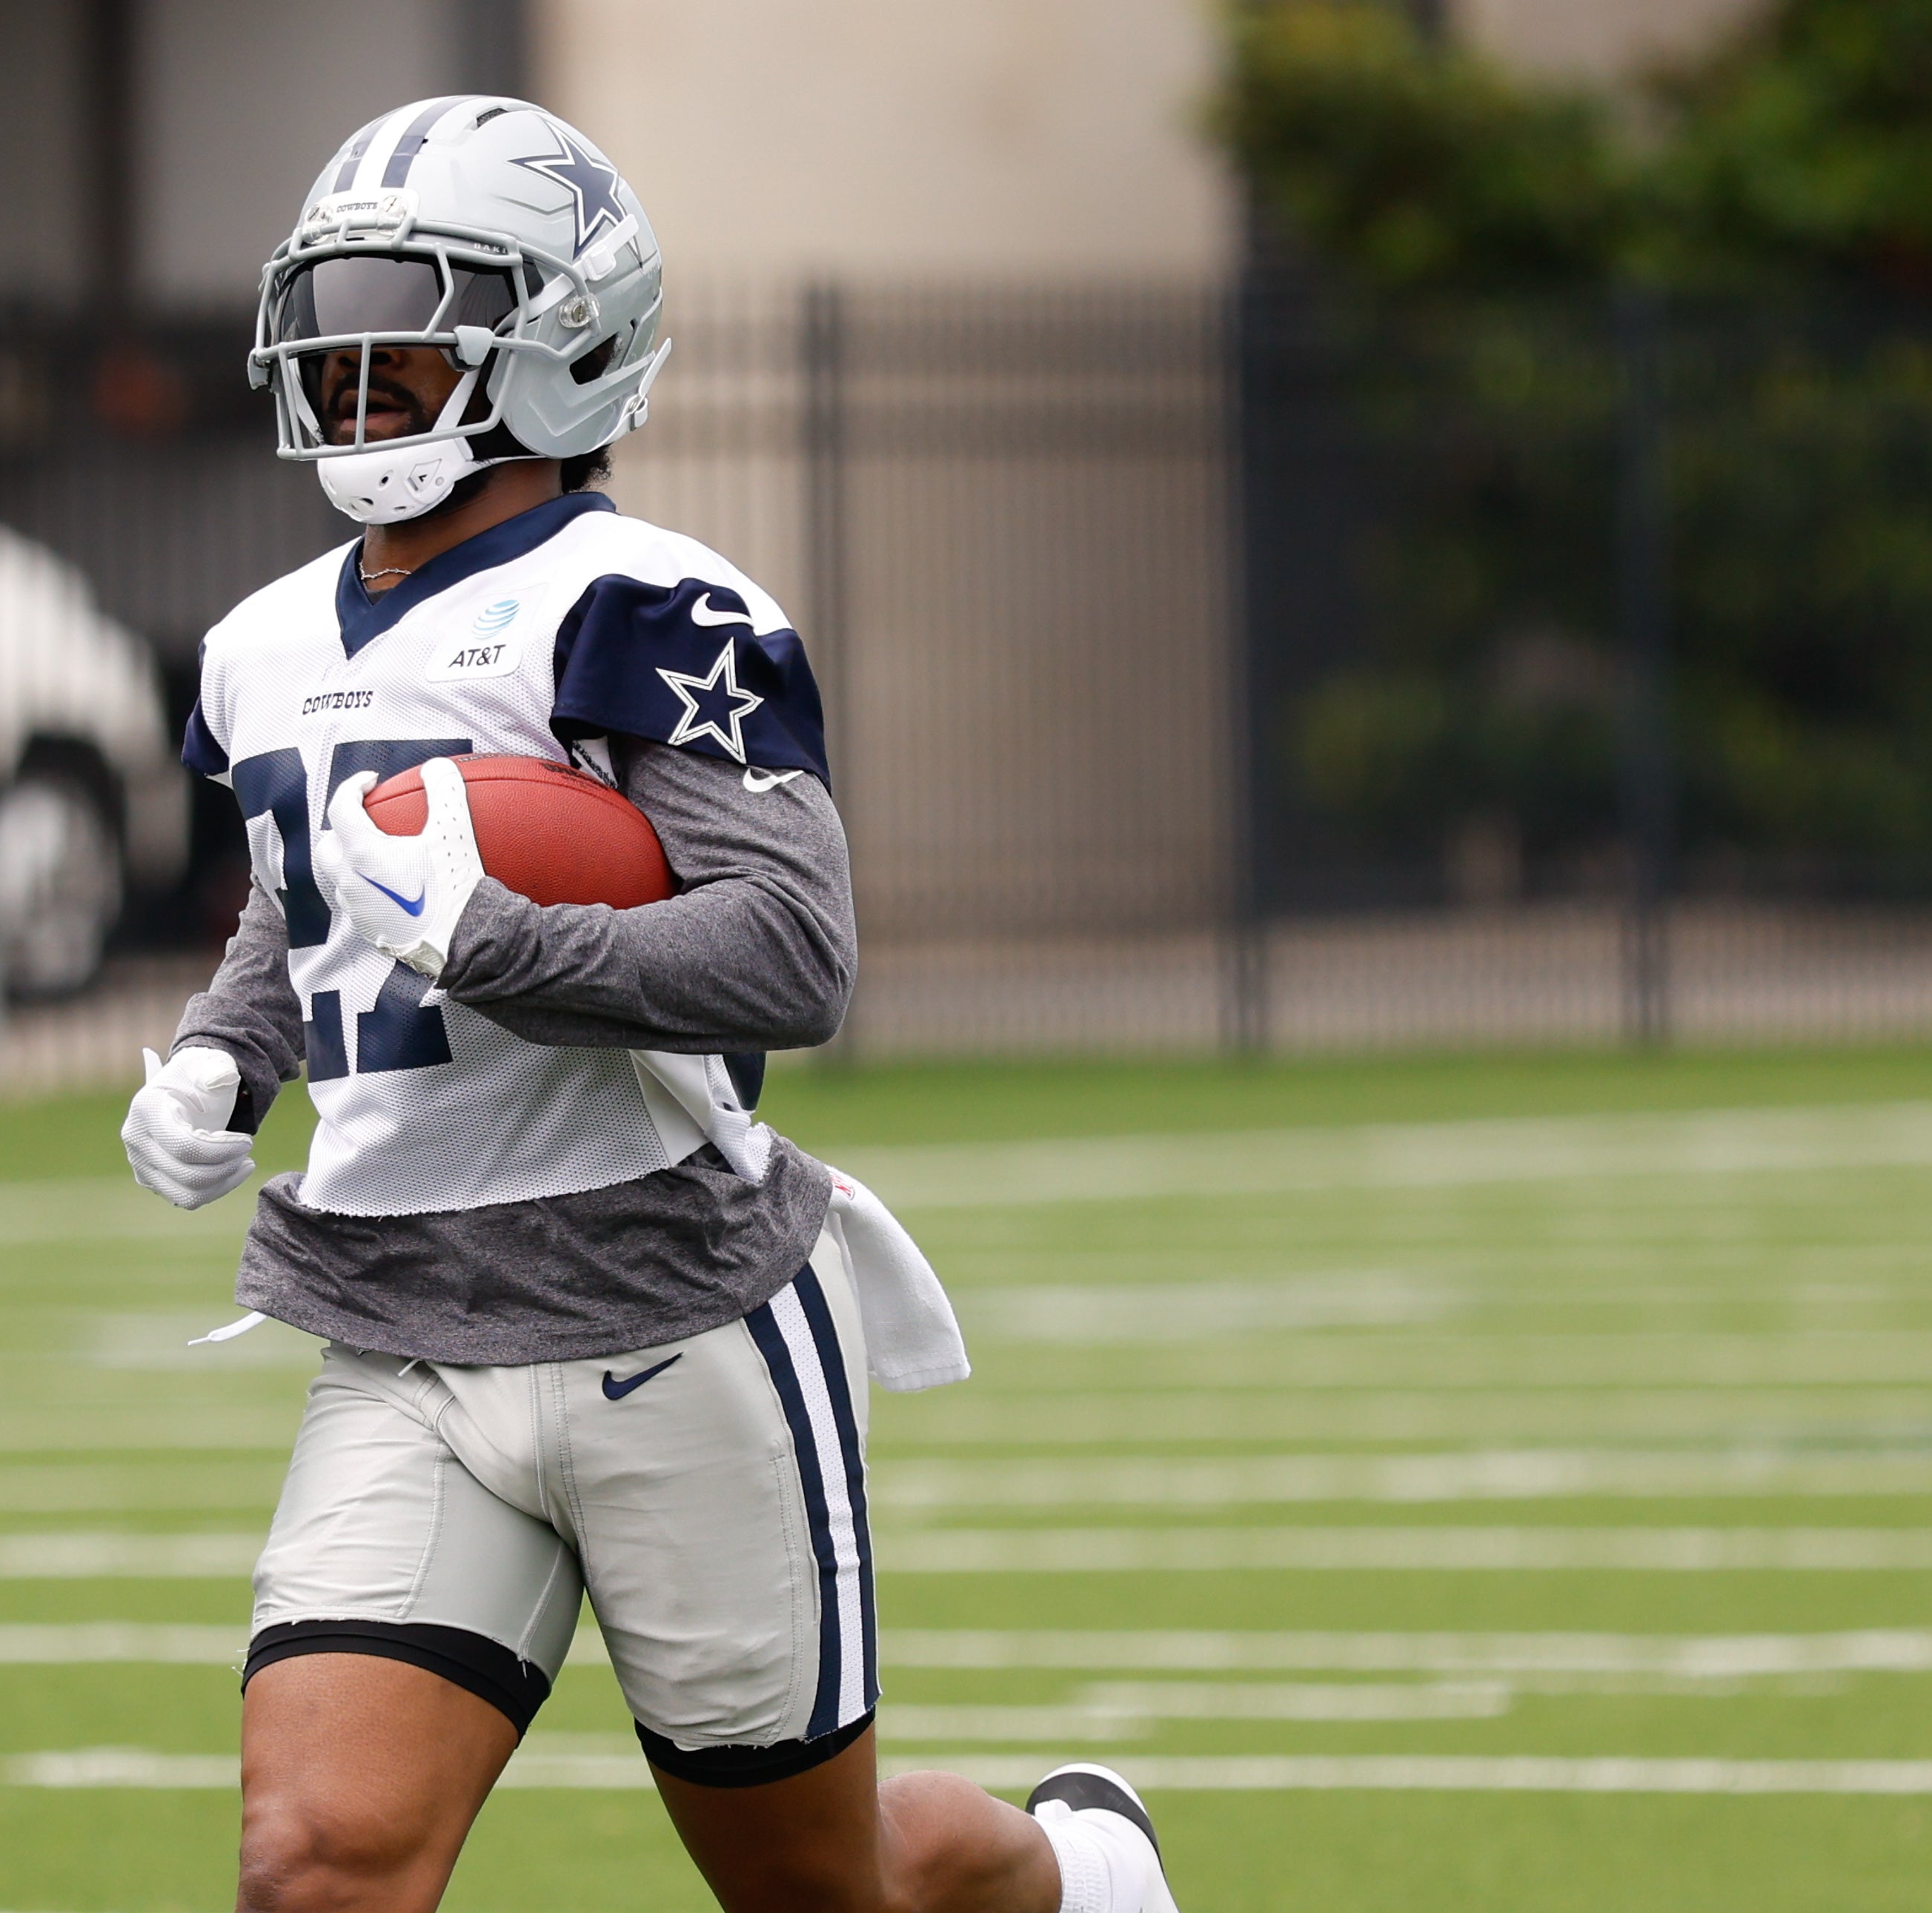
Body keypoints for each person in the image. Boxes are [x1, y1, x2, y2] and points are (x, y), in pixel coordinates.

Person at [121, 96, 1184, 1913]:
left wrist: (505, 941)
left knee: (816, 1890)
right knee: (315, 1865)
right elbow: (308, 902)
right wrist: (232, 1048)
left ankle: (1071, 1879)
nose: (350, 362)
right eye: (335, 317)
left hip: (664, 1315)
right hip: (399, 1321)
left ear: (556, 333)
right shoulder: (258, 645)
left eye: (409, 317)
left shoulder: (647, 608)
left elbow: (791, 954)